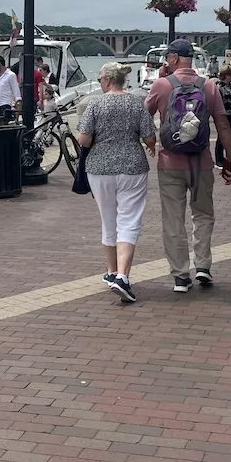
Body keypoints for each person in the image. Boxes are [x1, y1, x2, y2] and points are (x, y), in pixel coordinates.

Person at [144, 39, 231, 292]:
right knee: (203, 214)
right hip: (201, 162)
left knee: (174, 219)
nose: (165, 61)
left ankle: (181, 276)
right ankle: (203, 267)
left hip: (170, 162)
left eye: (167, 57)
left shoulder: (162, 85)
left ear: (174, 58)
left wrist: (150, 140)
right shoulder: (209, 86)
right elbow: (223, 125)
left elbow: (143, 117)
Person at [77, 62, 156, 303]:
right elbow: (149, 136)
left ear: (109, 80)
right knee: (129, 220)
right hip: (132, 167)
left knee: (108, 218)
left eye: (101, 79)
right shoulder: (135, 102)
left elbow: (84, 139)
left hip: (99, 169)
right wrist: (149, 146)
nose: (100, 83)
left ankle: (112, 272)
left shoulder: (96, 104)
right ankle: (123, 275)